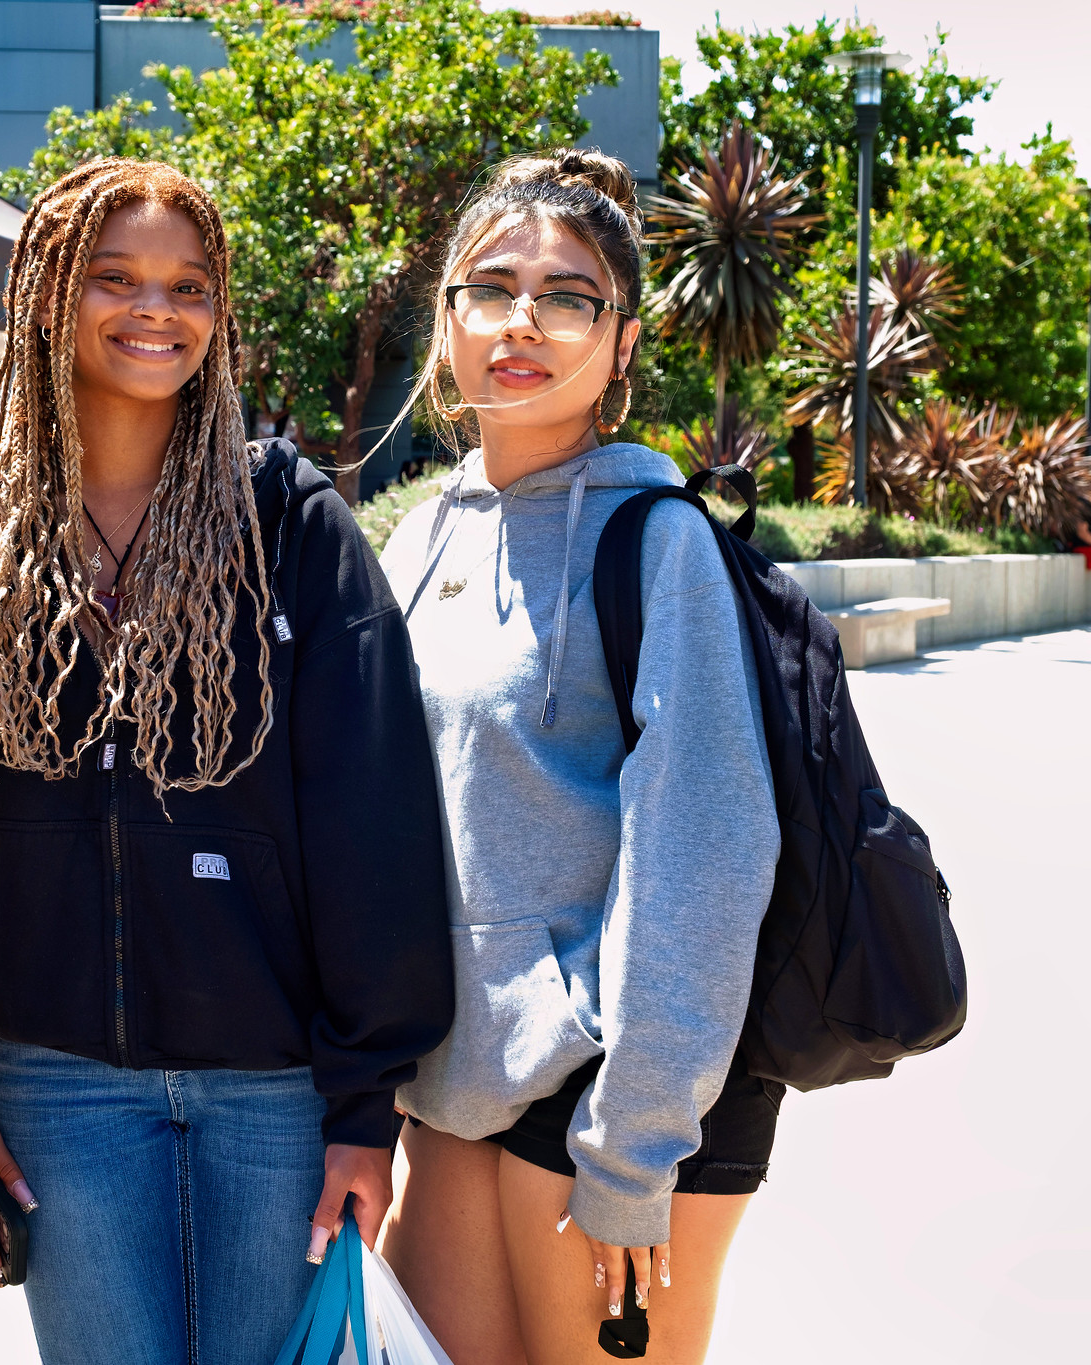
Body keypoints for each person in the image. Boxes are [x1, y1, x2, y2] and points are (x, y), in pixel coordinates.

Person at [0, 158, 453, 1364]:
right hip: (59, 1091)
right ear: (47, 297)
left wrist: (366, 1107)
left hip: (276, 1095)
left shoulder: (288, 519)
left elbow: (376, 822)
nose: (154, 310)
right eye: (114, 278)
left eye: (189, 283)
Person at [373, 149, 782, 1365]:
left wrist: (633, 1145)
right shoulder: (421, 538)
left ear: (620, 339)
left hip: (608, 1097)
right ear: (444, 319)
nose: (522, 324)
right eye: (490, 289)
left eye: (567, 298)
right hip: (449, 1090)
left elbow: (704, 854)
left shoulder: (656, 543)